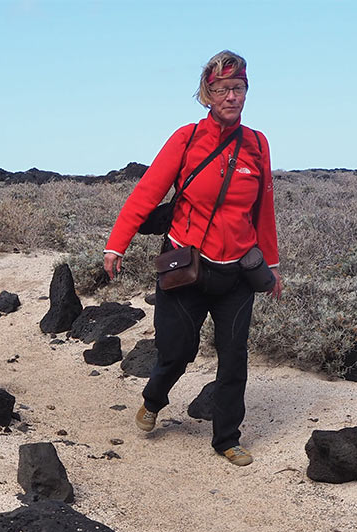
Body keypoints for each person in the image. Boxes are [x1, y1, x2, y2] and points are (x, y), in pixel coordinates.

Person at [103, 50, 281, 467]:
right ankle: (153, 399)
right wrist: (116, 244)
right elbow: (146, 195)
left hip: (237, 271)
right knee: (176, 352)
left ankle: (227, 439)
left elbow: (264, 210)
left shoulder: (257, 144)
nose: (231, 97)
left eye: (238, 89)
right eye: (222, 90)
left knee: (234, 356)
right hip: (187, 268)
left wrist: (270, 267)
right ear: (208, 93)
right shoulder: (186, 139)